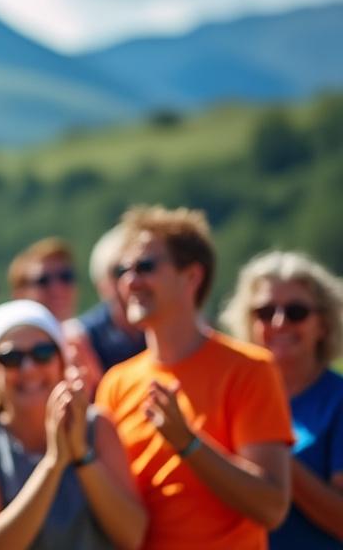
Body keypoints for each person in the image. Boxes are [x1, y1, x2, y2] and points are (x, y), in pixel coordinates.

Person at [95, 206, 293, 549]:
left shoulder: (250, 369)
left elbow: (271, 507)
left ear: (192, 277)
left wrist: (188, 444)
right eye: (122, 270)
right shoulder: (116, 384)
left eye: (145, 266)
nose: (130, 281)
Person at [0, 300, 145, 549]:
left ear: (61, 362)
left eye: (43, 353)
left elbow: (132, 536)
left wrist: (82, 456)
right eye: (11, 358)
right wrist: (53, 463)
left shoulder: (97, 426)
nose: (28, 368)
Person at [220, 250, 343, 547]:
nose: (279, 322)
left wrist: (271, 454)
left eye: (296, 312)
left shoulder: (337, 400)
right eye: (264, 312)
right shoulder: (232, 394)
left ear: (323, 324)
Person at [9, 239, 103, 395]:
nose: (57, 288)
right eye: (43, 280)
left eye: (65, 277)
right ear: (19, 294)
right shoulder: (7, 352)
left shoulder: (88, 338)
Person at [73, 227, 144, 373]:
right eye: (120, 272)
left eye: (142, 268)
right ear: (102, 285)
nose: (131, 281)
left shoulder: (162, 323)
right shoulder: (84, 336)